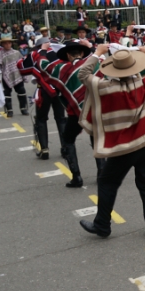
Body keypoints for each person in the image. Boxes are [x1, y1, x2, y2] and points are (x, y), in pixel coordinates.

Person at [78, 45, 145, 238]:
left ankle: (103, 225)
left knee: (107, 183)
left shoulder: (105, 88)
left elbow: (83, 74)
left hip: (122, 149)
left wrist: (97, 53)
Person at [35, 40, 96, 187]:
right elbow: (100, 56)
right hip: (94, 109)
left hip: (75, 112)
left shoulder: (62, 68)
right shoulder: (93, 64)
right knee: (96, 138)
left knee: (68, 139)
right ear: (82, 53)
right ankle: (101, 172)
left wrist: (43, 50)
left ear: (68, 55)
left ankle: (76, 176)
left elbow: (43, 66)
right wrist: (90, 46)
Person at [19, 37, 67, 160]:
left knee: (41, 119)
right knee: (61, 119)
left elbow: (21, 66)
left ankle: (44, 149)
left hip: (43, 91)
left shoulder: (34, 54)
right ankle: (65, 148)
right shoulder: (58, 53)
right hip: (58, 89)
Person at [0, 37, 28, 118]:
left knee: (22, 92)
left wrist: (24, 74)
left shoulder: (17, 53)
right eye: (5, 43)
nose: (7, 45)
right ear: (2, 44)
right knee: (7, 94)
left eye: (9, 43)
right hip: (5, 76)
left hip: (17, 75)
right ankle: (9, 111)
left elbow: (22, 64)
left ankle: (23, 109)